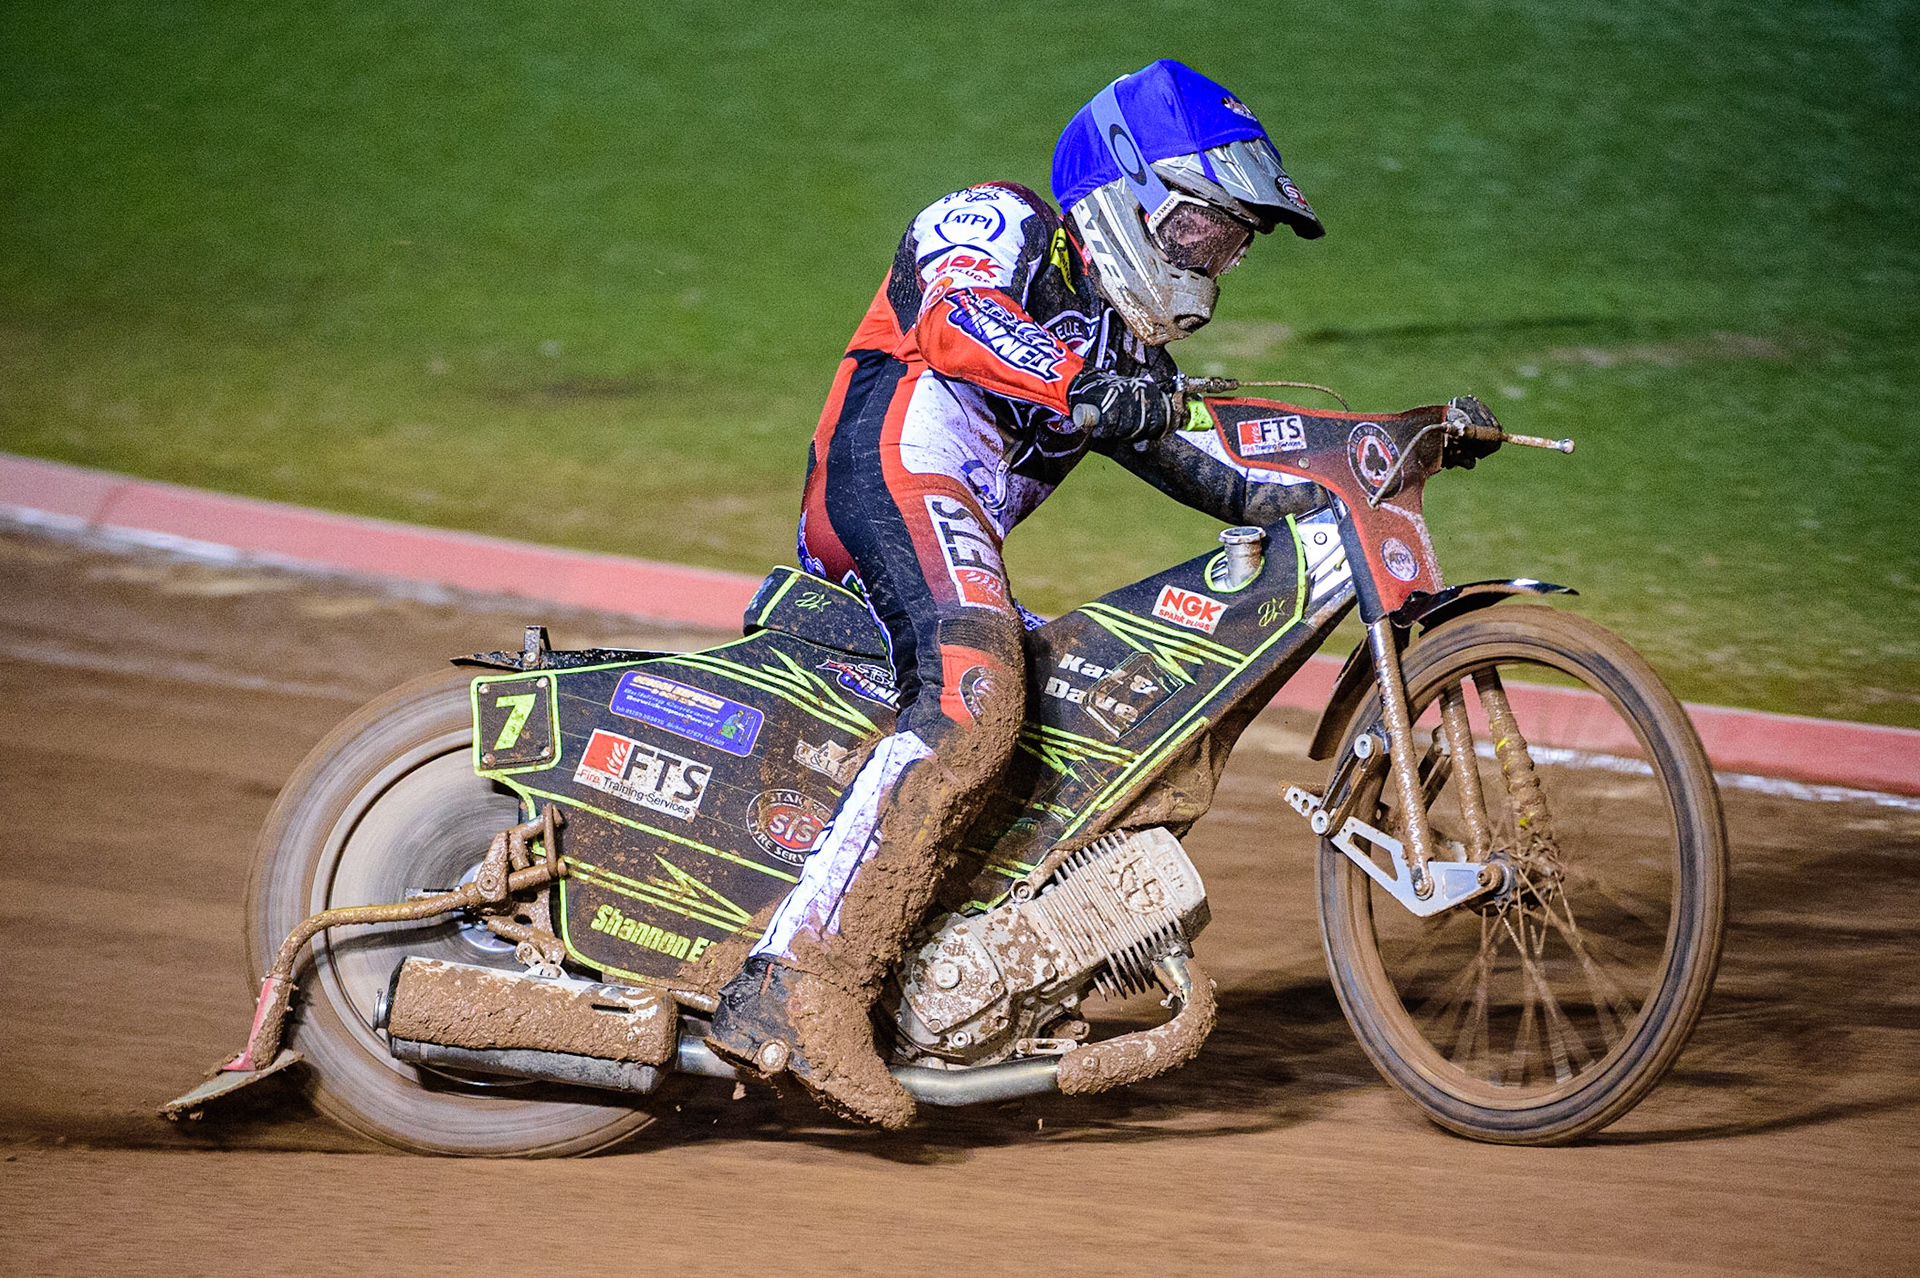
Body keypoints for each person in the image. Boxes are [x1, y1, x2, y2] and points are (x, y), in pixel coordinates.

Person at [706, 59, 1327, 1127]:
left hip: (950, 520)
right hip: (890, 468)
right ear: (1128, 194)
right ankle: (792, 985)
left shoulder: (1120, 344)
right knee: (975, 696)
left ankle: (944, 976)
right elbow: (957, 318)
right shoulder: (999, 221)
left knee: (1088, 713)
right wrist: (1082, 384)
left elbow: (1220, 478)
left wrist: (1361, 473)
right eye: (1206, 228)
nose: (1220, 259)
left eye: (1235, 242)